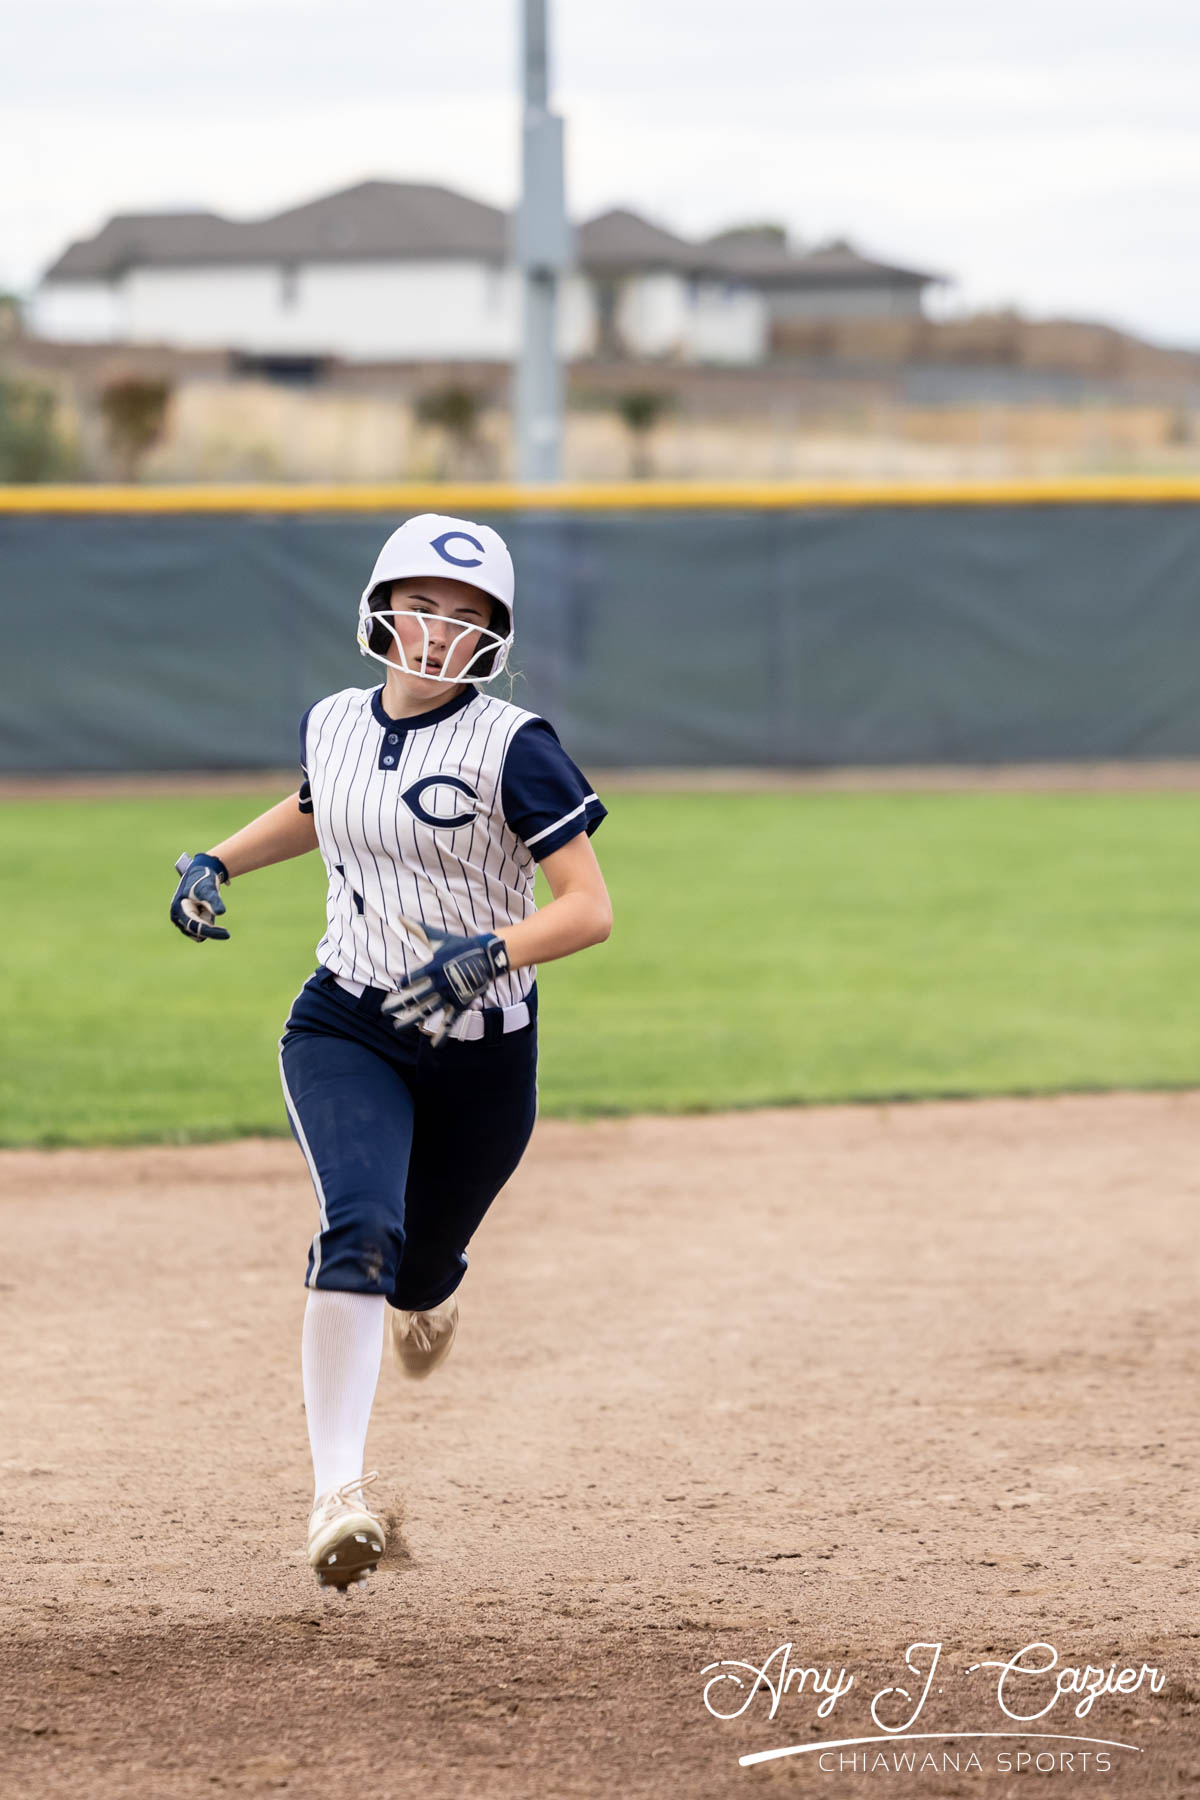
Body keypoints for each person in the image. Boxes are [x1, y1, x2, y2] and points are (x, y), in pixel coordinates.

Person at [169, 513, 611, 1589]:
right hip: (349, 1022)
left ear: (494, 634)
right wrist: (215, 861)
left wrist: (487, 955)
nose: (440, 628)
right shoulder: (331, 719)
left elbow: (588, 909)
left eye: (466, 614)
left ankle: (430, 1287)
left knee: (415, 1271)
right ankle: (339, 1497)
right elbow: (321, 807)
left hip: (483, 1056)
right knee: (360, 1227)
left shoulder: (514, 746)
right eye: (421, 604)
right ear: (381, 610)